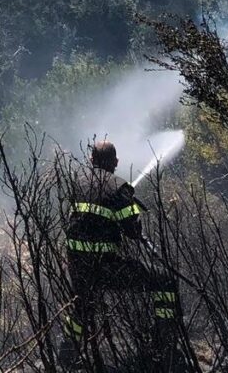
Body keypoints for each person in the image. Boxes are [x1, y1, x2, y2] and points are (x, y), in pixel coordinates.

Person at [57, 140, 181, 370]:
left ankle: (66, 356)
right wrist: (130, 209)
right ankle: (165, 344)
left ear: (91, 160)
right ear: (115, 162)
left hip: (77, 266)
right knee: (165, 281)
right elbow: (133, 231)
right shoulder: (118, 188)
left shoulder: (77, 182)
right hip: (106, 267)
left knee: (82, 306)